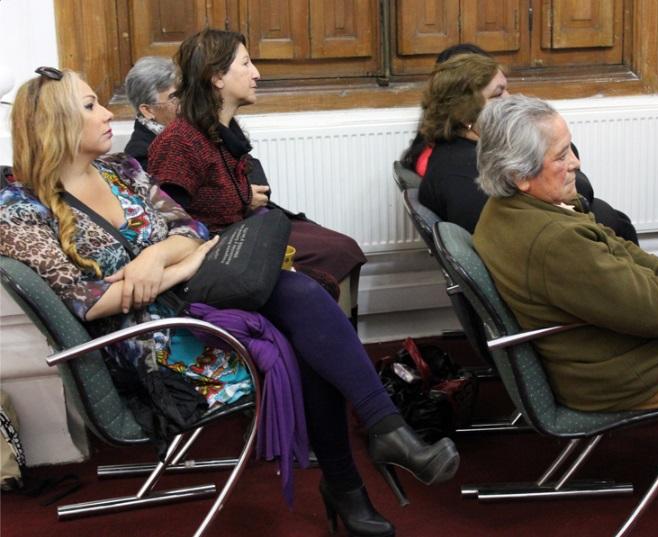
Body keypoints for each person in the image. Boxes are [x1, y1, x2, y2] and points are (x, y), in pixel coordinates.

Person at [0, 68, 459, 536]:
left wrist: (157, 259)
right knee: (307, 331)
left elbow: (190, 230)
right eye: (91, 105)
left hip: (190, 309)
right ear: (54, 123)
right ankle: (364, 464)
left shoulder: (123, 170)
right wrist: (179, 267)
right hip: (145, 349)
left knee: (303, 296)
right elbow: (87, 302)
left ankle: (376, 449)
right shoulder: (18, 209)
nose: (107, 114)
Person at [473, 94, 658, 521]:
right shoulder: (553, 243)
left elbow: (611, 242)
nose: (576, 163)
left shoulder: (507, 209)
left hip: (605, 352)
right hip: (621, 372)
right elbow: (649, 311)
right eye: (562, 155)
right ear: (520, 174)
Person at [148, 29, 365, 322]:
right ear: (217, 77)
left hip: (240, 243)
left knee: (341, 254)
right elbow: (168, 225)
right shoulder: (180, 141)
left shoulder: (221, 133)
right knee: (330, 265)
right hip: (220, 262)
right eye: (246, 64)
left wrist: (244, 202)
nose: (257, 74)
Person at [402, 44, 638, 244]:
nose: (509, 99)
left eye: (506, 89)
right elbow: (515, 237)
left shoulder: (475, 148)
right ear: (465, 114)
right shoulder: (462, 175)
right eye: (497, 95)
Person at [124, 56, 179, 170]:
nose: (184, 102)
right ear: (148, 110)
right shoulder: (140, 157)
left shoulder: (189, 129)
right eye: (173, 98)